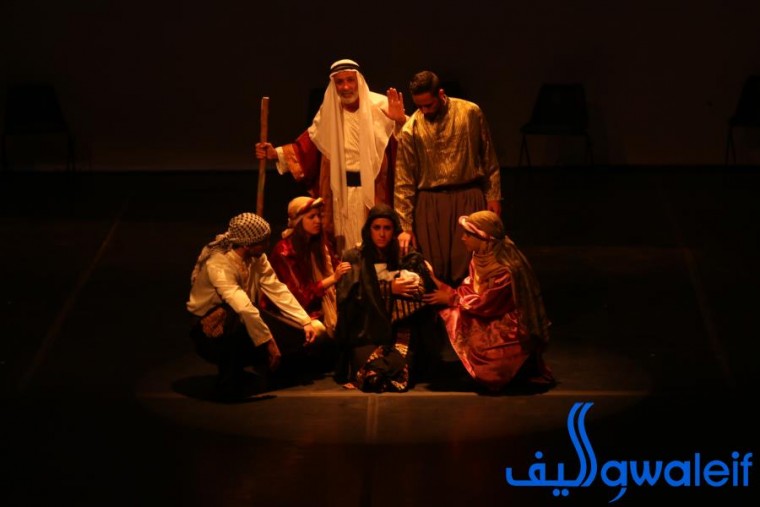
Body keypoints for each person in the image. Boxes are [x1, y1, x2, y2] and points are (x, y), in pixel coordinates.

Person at [255, 58, 407, 255]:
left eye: (350, 80)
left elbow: (406, 145)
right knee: (342, 245)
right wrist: (275, 153)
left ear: (359, 81)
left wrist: (400, 121)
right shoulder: (329, 110)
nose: (346, 87)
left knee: (374, 241)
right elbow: (309, 143)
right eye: (340, 82)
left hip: (374, 190)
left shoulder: (382, 106)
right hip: (339, 192)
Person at [187, 212, 316, 401]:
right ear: (247, 245)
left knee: (297, 333)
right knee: (234, 316)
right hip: (208, 328)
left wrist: (305, 321)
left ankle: (259, 369)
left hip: (242, 313)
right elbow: (242, 306)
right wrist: (268, 342)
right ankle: (227, 384)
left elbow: (276, 288)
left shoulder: (257, 257)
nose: (267, 245)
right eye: (263, 242)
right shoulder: (219, 265)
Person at [422, 210, 555, 393]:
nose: (463, 238)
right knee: (453, 311)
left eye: (468, 234)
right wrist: (440, 285)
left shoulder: (504, 269)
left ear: (484, 238)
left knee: (458, 316)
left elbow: (486, 303)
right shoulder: (479, 257)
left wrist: (451, 298)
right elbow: (471, 289)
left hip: (508, 324)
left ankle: (515, 368)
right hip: (487, 312)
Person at [394, 70, 502, 287]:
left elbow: (488, 156)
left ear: (441, 94)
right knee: (436, 266)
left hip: (467, 195)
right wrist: (405, 225)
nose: (424, 110)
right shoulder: (411, 129)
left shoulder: (470, 113)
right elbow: (404, 181)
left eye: (429, 105)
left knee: (469, 264)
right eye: (419, 106)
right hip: (430, 203)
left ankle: (469, 307)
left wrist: (493, 195)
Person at [333, 204, 433, 393]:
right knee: (372, 376)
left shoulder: (404, 255)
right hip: (365, 332)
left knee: (399, 371)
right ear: (368, 229)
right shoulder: (355, 257)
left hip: (399, 332)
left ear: (394, 230)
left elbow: (424, 286)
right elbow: (348, 297)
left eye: (387, 228)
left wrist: (416, 283)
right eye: (376, 227)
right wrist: (389, 289)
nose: (381, 234)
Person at [265, 196, 352, 340]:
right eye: (311, 217)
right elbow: (301, 296)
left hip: (318, 305)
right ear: (299, 221)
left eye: (319, 216)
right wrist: (333, 279)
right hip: (294, 312)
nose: (318, 221)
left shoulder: (320, 244)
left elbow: (336, 266)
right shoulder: (284, 251)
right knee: (319, 330)